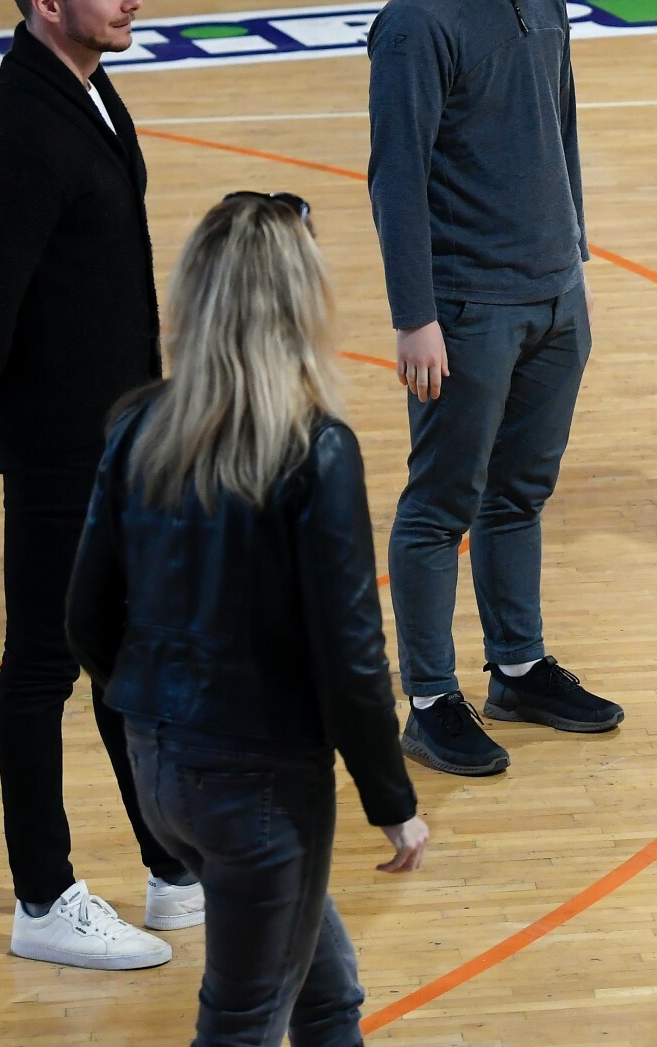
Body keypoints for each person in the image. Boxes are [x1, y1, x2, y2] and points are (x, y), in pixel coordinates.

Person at [66, 194, 431, 1047]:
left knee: (327, 994)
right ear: (300, 299)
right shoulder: (315, 447)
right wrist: (392, 799)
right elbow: (349, 651)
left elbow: (86, 614)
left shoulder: (138, 424)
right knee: (242, 1025)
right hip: (260, 786)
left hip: (159, 769)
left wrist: (155, 708)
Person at [0, 0, 196, 969]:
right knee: (44, 662)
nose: (134, 0)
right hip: (59, 442)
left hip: (120, 430)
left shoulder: (89, 91)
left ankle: (171, 866)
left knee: (123, 652)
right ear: (49, 4)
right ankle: (43, 899)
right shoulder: (17, 131)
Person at [366, 0, 621, 777]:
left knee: (519, 493)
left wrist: (573, 256)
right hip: (469, 309)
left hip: (555, 297)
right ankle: (430, 701)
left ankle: (517, 666)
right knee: (441, 504)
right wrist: (415, 317)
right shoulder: (417, 20)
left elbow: (562, 125)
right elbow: (396, 180)